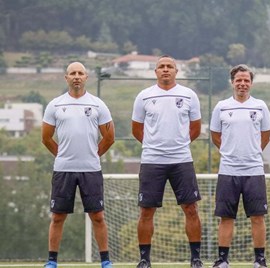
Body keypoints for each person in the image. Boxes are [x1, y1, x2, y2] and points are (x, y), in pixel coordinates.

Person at [41, 62, 115, 268]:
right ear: (66, 78)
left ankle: (106, 261)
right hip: (63, 169)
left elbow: (109, 138)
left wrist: (94, 153)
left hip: (91, 169)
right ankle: (52, 261)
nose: (76, 76)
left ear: (86, 77)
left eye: (80, 73)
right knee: (57, 217)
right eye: (72, 73)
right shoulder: (55, 105)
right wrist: (61, 154)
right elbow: (46, 138)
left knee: (98, 216)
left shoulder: (98, 104)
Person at [131, 55, 203, 268]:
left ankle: (196, 258)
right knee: (146, 210)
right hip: (152, 161)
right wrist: (154, 146)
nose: (165, 70)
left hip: (181, 161)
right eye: (161, 67)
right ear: (155, 72)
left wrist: (178, 144)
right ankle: (144, 259)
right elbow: (136, 129)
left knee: (191, 208)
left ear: (176, 71)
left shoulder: (189, 95)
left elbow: (196, 128)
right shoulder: (144, 96)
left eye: (169, 66)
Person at [210, 64, 270, 268]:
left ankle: (260, 260)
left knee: (257, 217)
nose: (242, 84)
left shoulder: (260, 106)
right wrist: (230, 152)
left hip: (254, 170)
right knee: (226, 218)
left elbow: (265, 136)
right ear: (232, 82)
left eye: (246, 80)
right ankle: (223, 260)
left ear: (251, 83)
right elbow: (215, 136)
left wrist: (252, 152)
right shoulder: (221, 106)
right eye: (239, 80)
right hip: (228, 171)